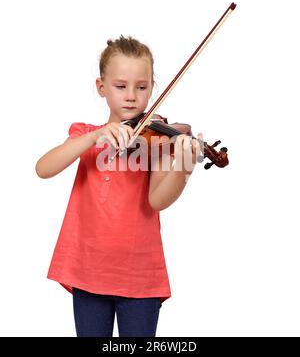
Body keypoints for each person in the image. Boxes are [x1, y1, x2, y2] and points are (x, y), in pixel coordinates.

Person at [35, 35, 202, 337]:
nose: (131, 96)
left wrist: (182, 168)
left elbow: (158, 200)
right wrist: (91, 138)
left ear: (152, 87)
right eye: (120, 86)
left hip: (139, 276)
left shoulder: (159, 142)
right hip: (87, 271)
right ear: (101, 87)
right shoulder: (85, 134)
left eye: (141, 87)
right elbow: (43, 169)